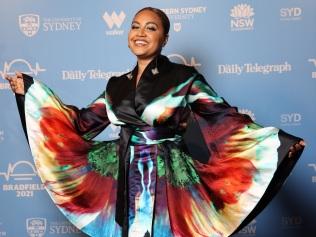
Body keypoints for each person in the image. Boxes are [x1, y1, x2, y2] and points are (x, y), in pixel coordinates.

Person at [6, 7, 305, 237]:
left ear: (164, 38)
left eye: (151, 28)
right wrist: (31, 92)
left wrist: (278, 144)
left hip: (168, 178)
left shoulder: (184, 78)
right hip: (123, 175)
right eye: (135, 26)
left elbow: (223, 116)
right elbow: (81, 123)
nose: (140, 33)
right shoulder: (116, 86)